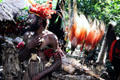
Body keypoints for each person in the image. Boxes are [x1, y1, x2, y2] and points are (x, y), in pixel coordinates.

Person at [18, 14, 64, 80]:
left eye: (31, 19)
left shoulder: (51, 37)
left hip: (42, 74)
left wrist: (40, 75)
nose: (28, 22)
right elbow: (20, 58)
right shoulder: (27, 35)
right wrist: (28, 47)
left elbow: (58, 62)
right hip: (28, 73)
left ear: (40, 21)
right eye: (28, 19)